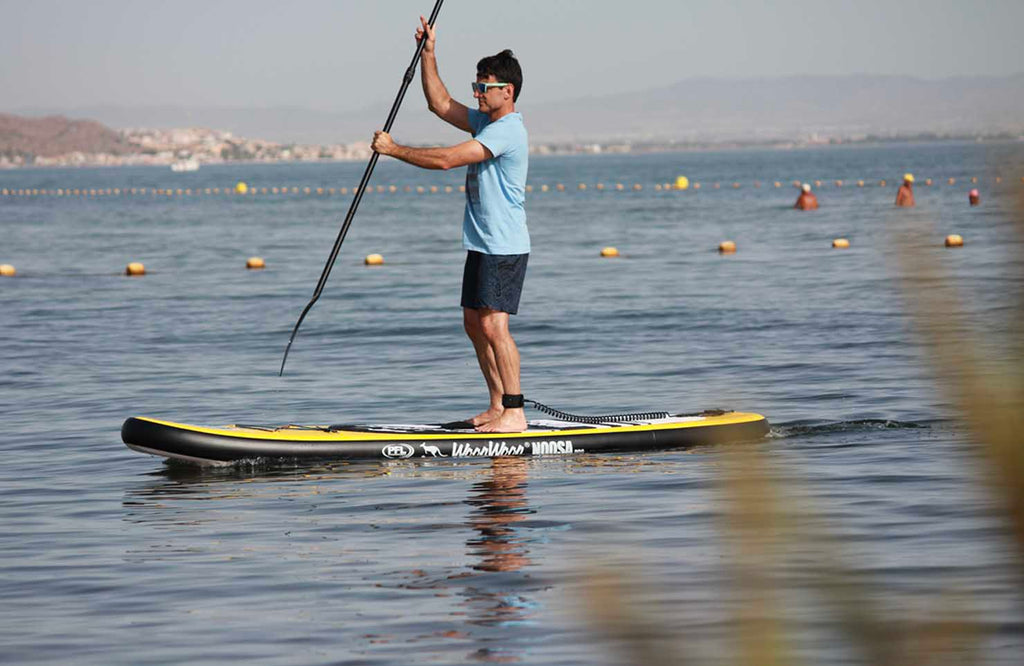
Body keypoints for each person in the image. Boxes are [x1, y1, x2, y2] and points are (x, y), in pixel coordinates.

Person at [370, 16, 529, 433]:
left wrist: (394, 149)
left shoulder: (508, 131)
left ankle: (515, 412)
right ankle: (497, 405)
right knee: (474, 323)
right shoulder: (486, 121)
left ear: (506, 92)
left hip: (504, 245)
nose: (476, 93)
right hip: (481, 242)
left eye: (484, 87)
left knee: (495, 324)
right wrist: (429, 53)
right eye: (476, 86)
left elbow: (444, 160)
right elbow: (439, 103)